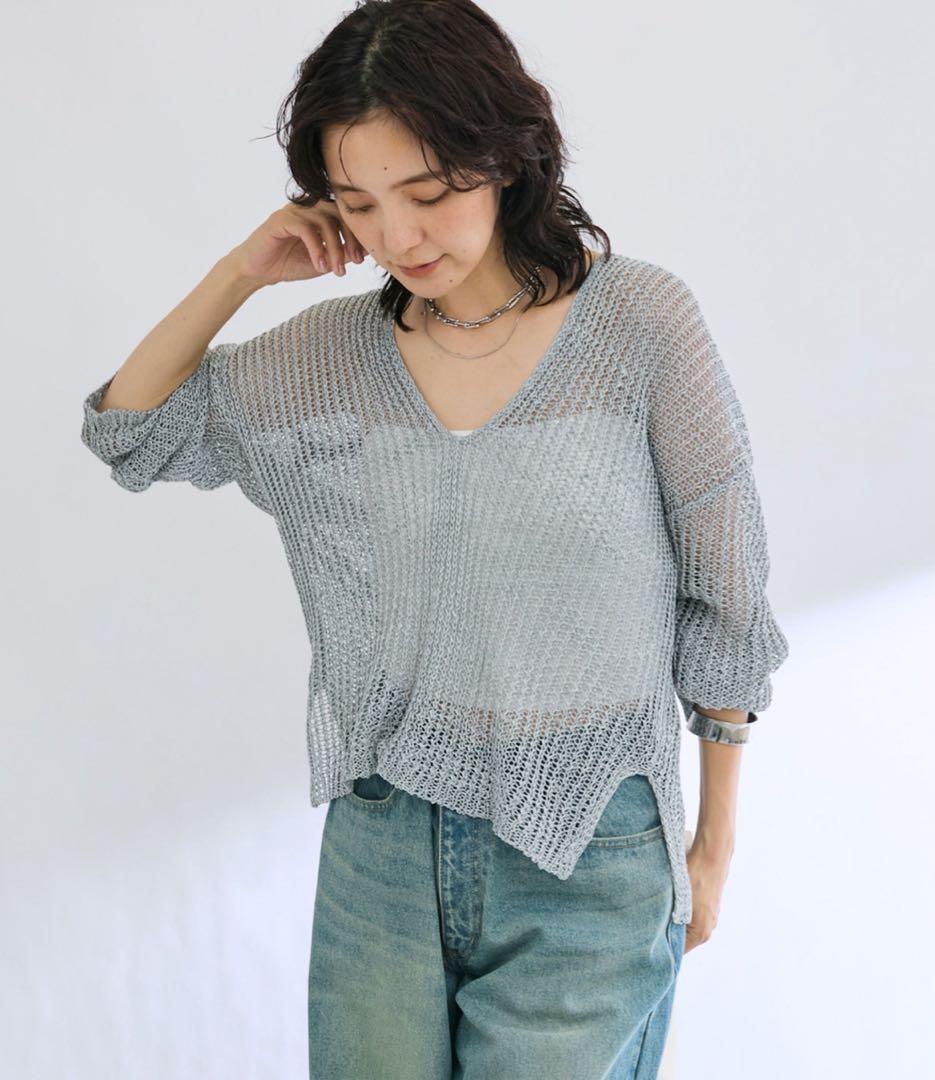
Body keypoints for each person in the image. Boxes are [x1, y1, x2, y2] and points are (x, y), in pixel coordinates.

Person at [79, 1, 790, 1076]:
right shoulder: (328, 356)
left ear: (503, 155)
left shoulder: (641, 325)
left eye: (426, 192)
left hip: (591, 847)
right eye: (358, 204)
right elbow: (130, 433)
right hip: (384, 843)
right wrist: (239, 273)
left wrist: (712, 849)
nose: (397, 238)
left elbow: (726, 603)